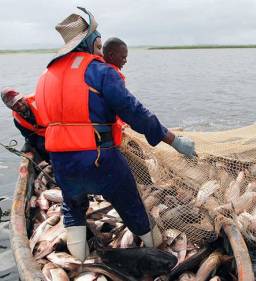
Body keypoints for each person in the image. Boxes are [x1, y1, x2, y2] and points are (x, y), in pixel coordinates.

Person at [34, 7, 196, 261]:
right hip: (100, 159)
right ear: (93, 42)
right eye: (98, 42)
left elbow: (42, 119)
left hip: (62, 163)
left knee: (73, 208)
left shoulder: (45, 76)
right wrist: (173, 140)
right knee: (132, 207)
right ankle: (163, 256)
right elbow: (135, 112)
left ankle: (79, 263)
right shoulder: (100, 71)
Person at [1, 88, 49, 161]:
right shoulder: (18, 121)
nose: (20, 105)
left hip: (57, 129)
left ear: (23, 97)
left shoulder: (40, 100)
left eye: (20, 100)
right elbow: (31, 138)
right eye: (15, 104)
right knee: (39, 146)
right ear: (11, 108)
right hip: (44, 136)